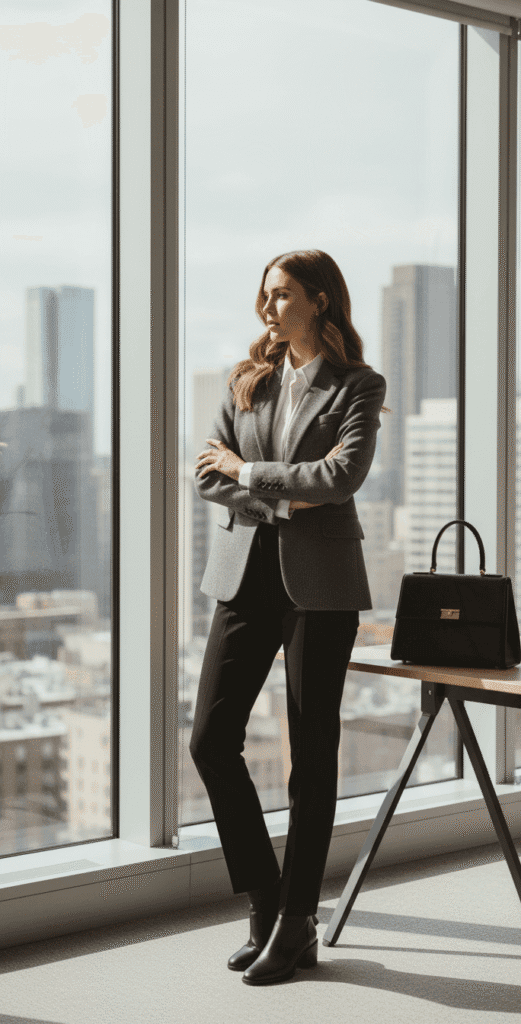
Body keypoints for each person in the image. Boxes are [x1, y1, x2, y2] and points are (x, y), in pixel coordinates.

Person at [190, 249, 388, 986]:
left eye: (280, 295)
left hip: (322, 585)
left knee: (311, 755)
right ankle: (267, 900)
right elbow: (205, 474)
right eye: (264, 295)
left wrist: (248, 473)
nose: (266, 308)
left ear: (319, 301)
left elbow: (342, 478)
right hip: (243, 578)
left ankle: (299, 921)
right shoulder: (247, 381)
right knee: (211, 740)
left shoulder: (357, 387)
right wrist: (278, 493)